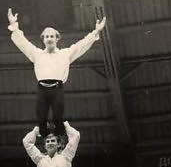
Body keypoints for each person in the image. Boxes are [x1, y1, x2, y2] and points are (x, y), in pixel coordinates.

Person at [7, 8, 106, 137]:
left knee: (58, 118)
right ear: (43, 40)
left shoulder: (65, 54)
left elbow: (82, 45)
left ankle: (59, 143)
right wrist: (14, 26)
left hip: (57, 89)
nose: (49, 39)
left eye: (52, 36)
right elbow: (23, 43)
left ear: (57, 39)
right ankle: (45, 141)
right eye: (47, 36)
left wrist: (96, 31)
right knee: (41, 119)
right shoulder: (37, 54)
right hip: (42, 89)